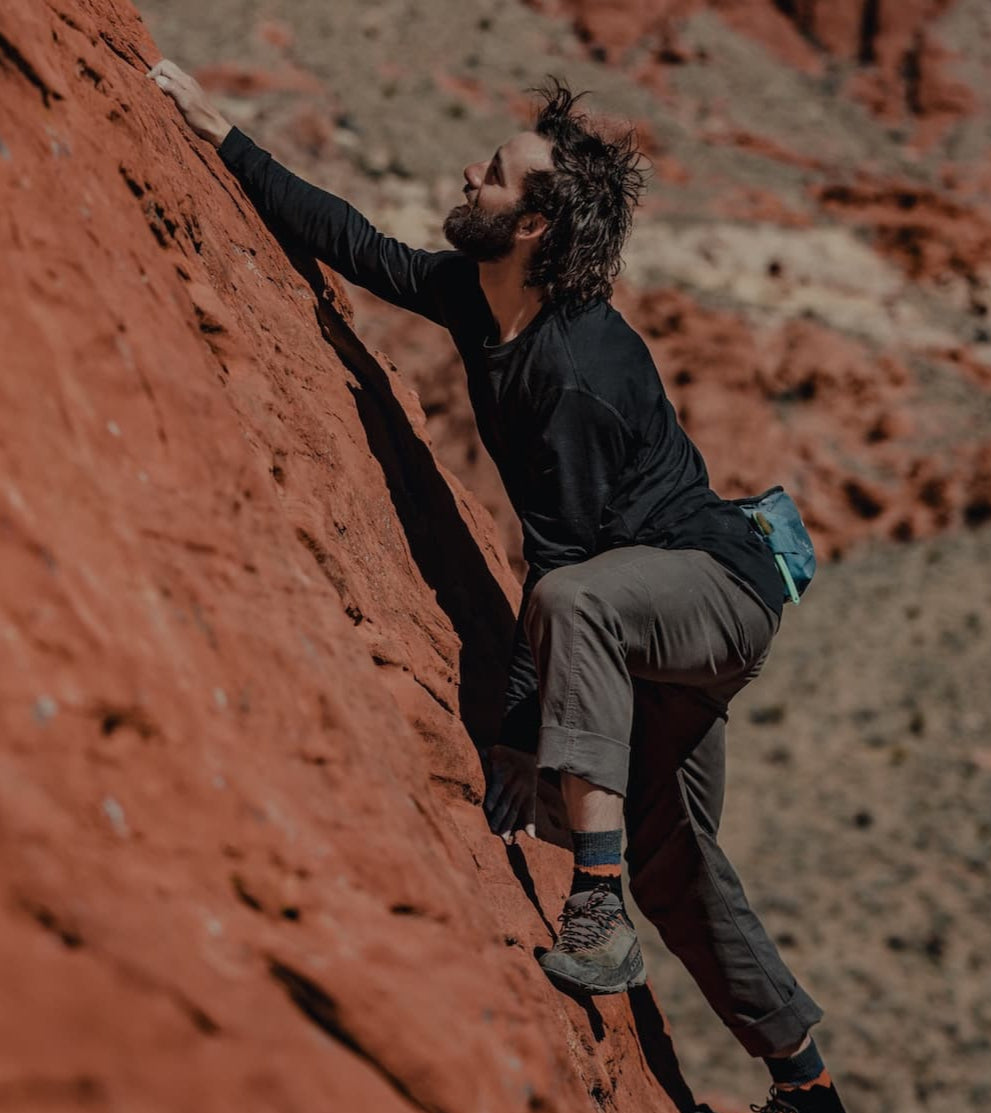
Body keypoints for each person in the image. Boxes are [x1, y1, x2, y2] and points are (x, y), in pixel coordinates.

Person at [147, 58, 846, 1113]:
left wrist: (521, 739)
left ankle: (595, 913)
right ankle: (808, 1086)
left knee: (575, 608)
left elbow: (563, 570)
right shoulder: (483, 302)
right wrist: (221, 138)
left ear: (533, 228)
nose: (467, 172)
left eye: (495, 174)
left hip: (715, 592)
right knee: (677, 861)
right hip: (644, 615)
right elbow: (359, 247)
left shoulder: (574, 369)